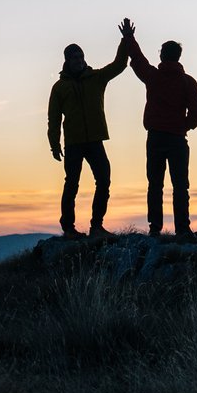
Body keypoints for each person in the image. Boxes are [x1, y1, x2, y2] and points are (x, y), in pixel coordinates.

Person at [119, 18, 197, 241]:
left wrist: (129, 38)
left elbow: (137, 60)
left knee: (155, 184)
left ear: (161, 55)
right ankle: (182, 229)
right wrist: (185, 126)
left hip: (156, 138)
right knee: (180, 186)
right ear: (178, 56)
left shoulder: (153, 77)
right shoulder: (187, 82)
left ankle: (155, 228)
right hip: (177, 139)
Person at [47, 34, 129, 239]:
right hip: (74, 143)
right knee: (71, 184)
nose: (79, 60)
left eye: (81, 56)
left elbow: (119, 65)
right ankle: (68, 228)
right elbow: (54, 118)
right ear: (67, 60)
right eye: (74, 57)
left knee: (104, 180)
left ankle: (97, 226)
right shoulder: (59, 88)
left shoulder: (97, 78)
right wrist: (54, 144)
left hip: (95, 140)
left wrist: (126, 40)